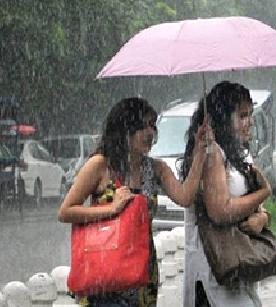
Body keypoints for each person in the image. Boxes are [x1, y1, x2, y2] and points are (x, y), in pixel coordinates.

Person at [58, 97, 208, 307]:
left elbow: (185, 197)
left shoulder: (156, 168)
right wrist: (112, 208)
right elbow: (65, 211)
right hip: (105, 269)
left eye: (152, 126)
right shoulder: (100, 165)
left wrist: (200, 151)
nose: (149, 133)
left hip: (141, 270)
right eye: (141, 127)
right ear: (123, 131)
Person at [182, 81, 272, 307]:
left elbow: (251, 207)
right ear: (223, 118)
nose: (249, 122)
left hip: (235, 266)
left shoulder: (237, 154)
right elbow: (221, 211)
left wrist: (262, 218)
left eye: (250, 114)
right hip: (214, 268)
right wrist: (263, 192)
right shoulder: (211, 153)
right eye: (242, 116)